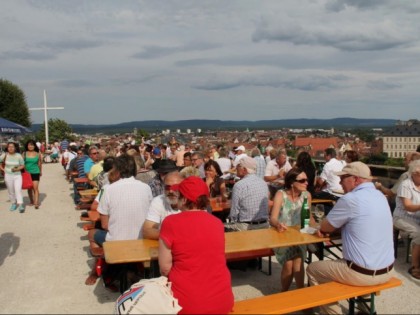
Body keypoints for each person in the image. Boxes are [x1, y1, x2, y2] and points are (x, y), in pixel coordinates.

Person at [306, 162, 394, 314]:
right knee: (364, 257)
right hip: (388, 271)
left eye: (343, 178)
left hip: (362, 274)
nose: (340, 182)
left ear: (356, 179)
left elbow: (326, 226)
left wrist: (329, 229)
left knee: (313, 269)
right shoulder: (380, 196)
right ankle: (364, 310)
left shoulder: (350, 199)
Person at [159, 176, 234, 314]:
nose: (177, 198)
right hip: (222, 301)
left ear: (185, 199)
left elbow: (164, 268)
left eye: (179, 195)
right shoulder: (217, 223)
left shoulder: (170, 223)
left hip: (187, 304)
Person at [86, 154, 153, 285]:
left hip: (117, 241)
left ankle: (98, 267)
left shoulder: (109, 189)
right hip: (141, 239)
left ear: (117, 170)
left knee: (92, 234)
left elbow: (105, 225)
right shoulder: (146, 188)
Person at [269, 168, 312, 292]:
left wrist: (319, 228)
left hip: (299, 236)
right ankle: (285, 293)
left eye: (307, 180)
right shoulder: (280, 194)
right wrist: (278, 224)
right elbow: (273, 218)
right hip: (282, 235)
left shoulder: (307, 195)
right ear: (292, 182)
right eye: (302, 180)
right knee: (289, 263)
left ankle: (300, 294)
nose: (306, 183)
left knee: (298, 261)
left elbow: (309, 217)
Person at [392, 159, 420, 279]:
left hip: (417, 217)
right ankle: (415, 267)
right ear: (414, 173)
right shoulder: (405, 185)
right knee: (419, 233)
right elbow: (408, 206)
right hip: (402, 217)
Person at [225, 156, 270, 231]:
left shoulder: (239, 185)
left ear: (244, 170)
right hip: (265, 225)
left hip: (246, 226)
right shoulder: (263, 183)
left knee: (219, 227)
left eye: (238, 166)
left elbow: (234, 214)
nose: (236, 168)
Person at [143, 171, 183, 240]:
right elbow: (147, 231)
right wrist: (174, 236)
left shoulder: (191, 203)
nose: (170, 191)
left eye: (175, 187)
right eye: (167, 187)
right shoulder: (158, 201)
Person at [0, 142, 25, 212]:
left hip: (17, 175)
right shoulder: (5, 155)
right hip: (8, 175)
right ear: (7, 148)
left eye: (12, 147)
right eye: (9, 147)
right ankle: (13, 203)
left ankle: (20, 205)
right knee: (11, 191)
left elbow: (23, 165)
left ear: (15, 148)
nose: (10, 148)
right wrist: (3, 169)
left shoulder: (18, 155)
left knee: (18, 190)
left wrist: (17, 169)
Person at [23, 140, 43, 209]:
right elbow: (22, 163)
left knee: (35, 188)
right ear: (27, 146)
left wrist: (40, 171)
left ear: (34, 146)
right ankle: (31, 200)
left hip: (35, 172)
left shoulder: (38, 153)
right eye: (29, 145)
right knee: (29, 188)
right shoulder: (24, 153)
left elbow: (39, 163)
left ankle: (36, 202)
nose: (30, 146)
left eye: (32, 145)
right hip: (27, 173)